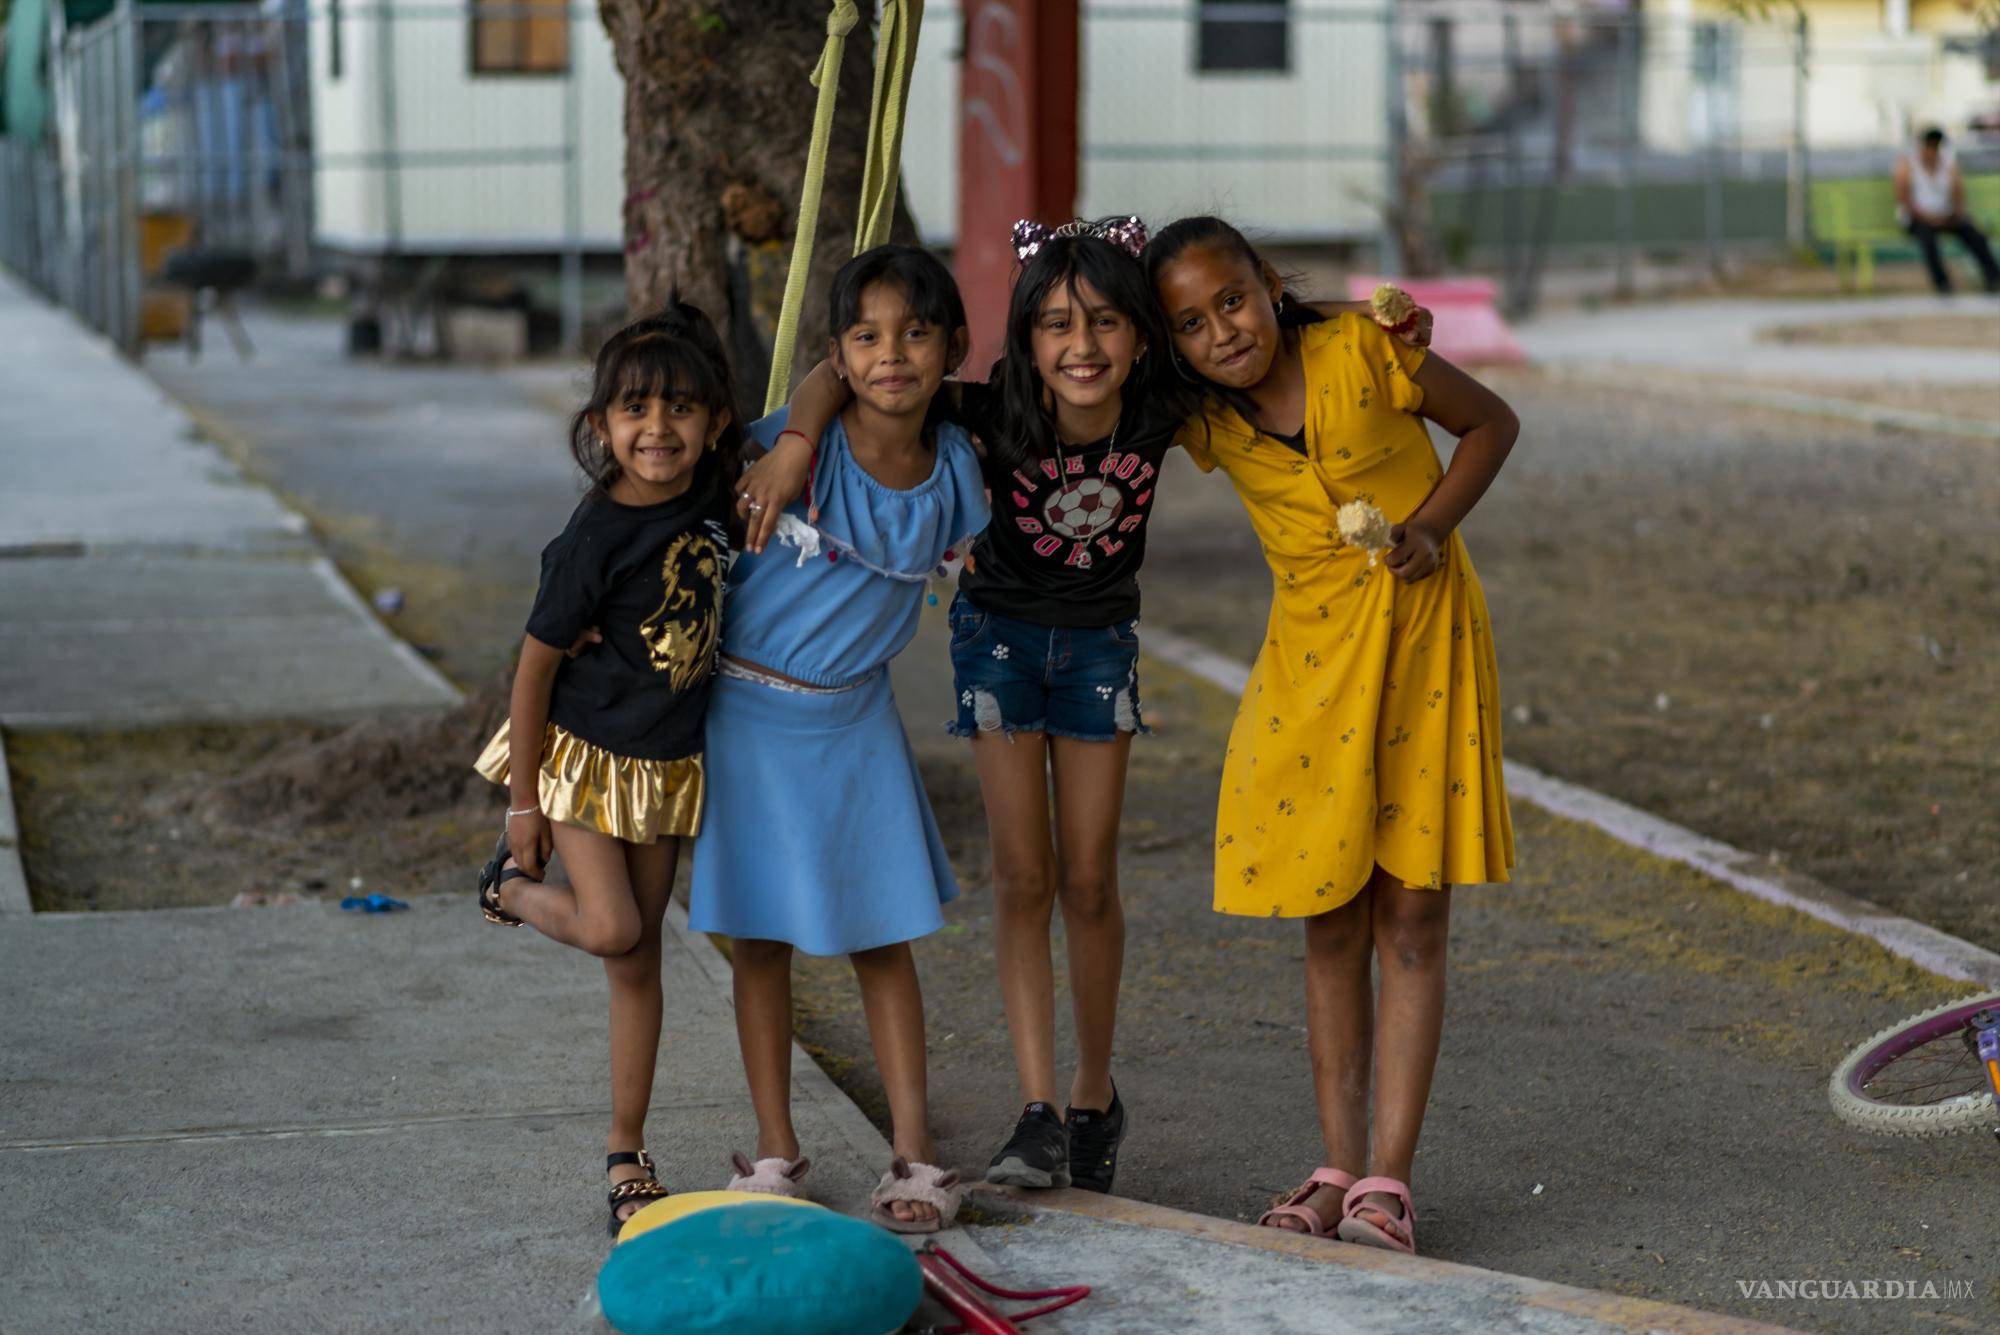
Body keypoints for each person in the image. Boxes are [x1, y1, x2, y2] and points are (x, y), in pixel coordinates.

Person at [738, 219, 1433, 1199]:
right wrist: (798, 440)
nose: (1082, 347)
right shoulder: (978, 415)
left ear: (1141, 337)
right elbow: (827, 372)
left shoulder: (1158, 407)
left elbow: (1259, 336)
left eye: (1106, 322)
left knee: (1089, 879)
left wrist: (1375, 319)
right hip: (997, 648)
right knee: (1023, 877)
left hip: (1100, 652)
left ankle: (1090, 1097)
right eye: (1057, 325)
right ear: (1023, 341)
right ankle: (1034, 1111)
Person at [1145, 216, 1519, 1255]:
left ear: (1268, 285)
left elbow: (1490, 424)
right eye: (1188, 321)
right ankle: (1332, 1167)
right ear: (1169, 342)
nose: (1221, 331)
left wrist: (1432, 527)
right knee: (1328, 915)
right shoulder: (1202, 423)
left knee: (1410, 917)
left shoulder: (1364, 351)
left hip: (1424, 651)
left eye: (1231, 299)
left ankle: (1386, 1184)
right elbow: (1068, 391)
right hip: (1308, 681)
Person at [687, 244, 990, 1233]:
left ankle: (914, 1159)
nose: (889, 354)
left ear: (952, 348)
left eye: (914, 333)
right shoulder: (786, 449)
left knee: (881, 939)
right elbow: (810, 394)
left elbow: (966, 556)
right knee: (759, 942)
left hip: (856, 723)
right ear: (835, 352)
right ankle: (774, 1153)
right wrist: (795, 440)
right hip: (747, 721)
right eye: (865, 336)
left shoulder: (954, 473)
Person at [471, 304, 740, 1233]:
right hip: (581, 760)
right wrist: (522, 811)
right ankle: (512, 893)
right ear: (601, 429)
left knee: (640, 963)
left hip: (664, 765)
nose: (656, 429)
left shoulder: (716, 491)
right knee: (617, 928)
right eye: (634, 411)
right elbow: (534, 668)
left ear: (712, 421)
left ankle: (628, 1151)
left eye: (678, 408)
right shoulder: (592, 540)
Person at [1895, 127, 2000, 295]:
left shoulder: (1948, 164)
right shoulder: (1907, 165)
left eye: (1935, 147)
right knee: (1927, 238)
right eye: (1930, 146)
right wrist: (1928, 218)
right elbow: (1904, 200)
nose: (1932, 151)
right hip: (1918, 218)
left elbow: (1959, 195)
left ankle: (1993, 278)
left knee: (1974, 234)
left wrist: (1956, 214)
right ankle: (1943, 284)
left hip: (1944, 216)